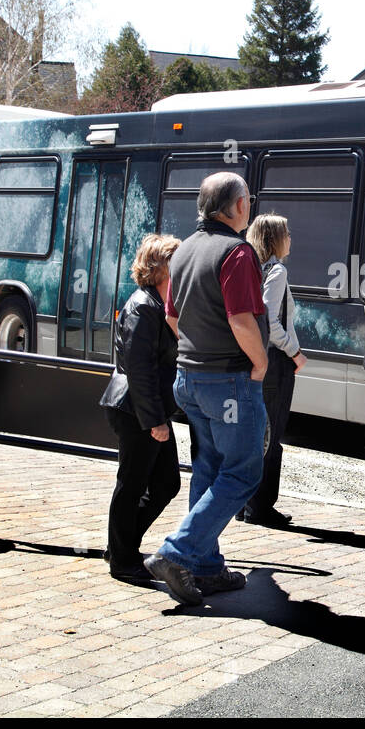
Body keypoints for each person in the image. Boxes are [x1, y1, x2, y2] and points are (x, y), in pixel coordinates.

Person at [144, 172, 269, 605]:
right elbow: (240, 319)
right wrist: (260, 361)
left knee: (210, 468)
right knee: (243, 472)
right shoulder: (236, 252)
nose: (249, 208)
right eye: (247, 201)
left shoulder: (183, 251)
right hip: (229, 382)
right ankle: (177, 552)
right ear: (236, 207)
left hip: (189, 380)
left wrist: (199, 352)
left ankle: (206, 567)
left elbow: (172, 318)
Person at [99, 234, 183, 582]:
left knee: (167, 484)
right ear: (161, 268)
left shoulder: (161, 304)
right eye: (178, 263)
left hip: (149, 410)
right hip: (136, 410)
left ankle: (121, 545)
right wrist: (155, 421)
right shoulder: (142, 306)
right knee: (131, 485)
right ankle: (122, 560)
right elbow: (140, 369)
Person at [242, 213, 307, 526]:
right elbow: (271, 321)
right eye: (287, 232)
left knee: (256, 433)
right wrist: (295, 353)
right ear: (275, 239)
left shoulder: (254, 267)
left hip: (255, 357)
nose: (291, 237)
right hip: (276, 362)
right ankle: (262, 508)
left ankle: (246, 504)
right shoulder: (277, 270)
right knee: (271, 434)